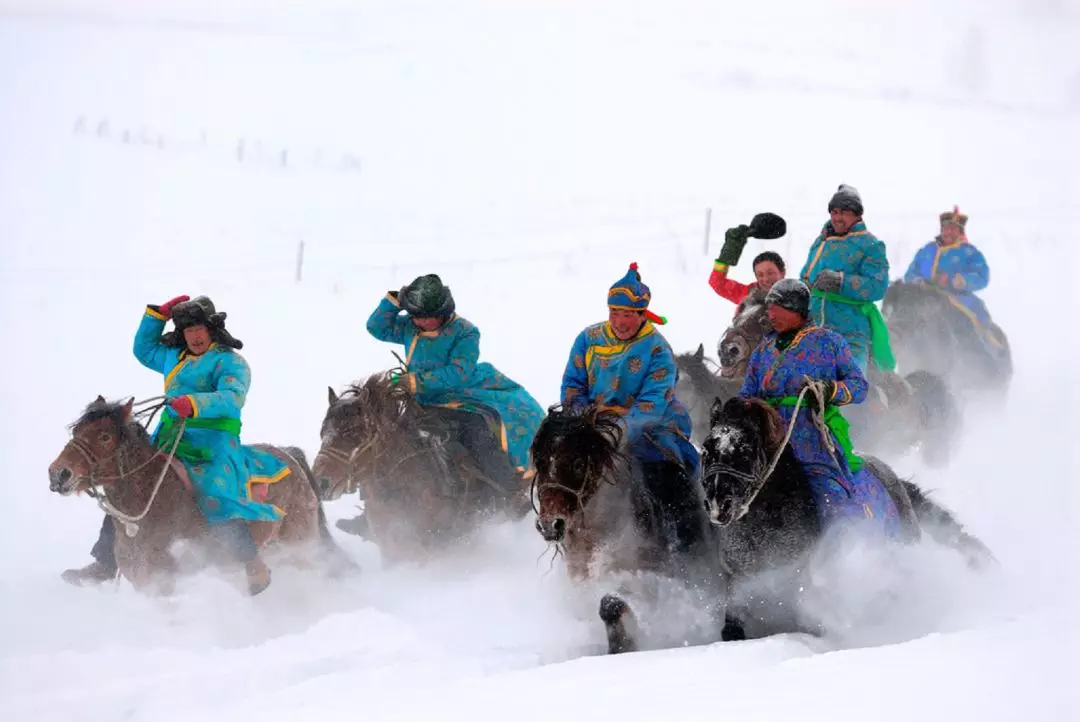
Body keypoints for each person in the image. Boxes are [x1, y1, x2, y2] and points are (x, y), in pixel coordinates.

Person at [63, 295, 287, 595]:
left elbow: (233, 397)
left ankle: (252, 562)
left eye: (199, 329)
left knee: (214, 492)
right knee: (123, 486)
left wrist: (193, 403)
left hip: (213, 443)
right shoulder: (175, 357)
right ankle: (105, 561)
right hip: (168, 438)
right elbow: (143, 350)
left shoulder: (231, 362)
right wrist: (155, 317)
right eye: (187, 330)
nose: (194, 336)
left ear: (212, 329)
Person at [560, 262, 703, 554]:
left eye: (628, 315)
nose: (620, 322)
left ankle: (679, 544)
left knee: (668, 476)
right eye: (615, 313)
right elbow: (573, 386)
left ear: (642, 315)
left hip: (650, 428)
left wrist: (615, 432)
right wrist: (583, 419)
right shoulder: (588, 339)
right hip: (591, 424)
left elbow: (651, 404)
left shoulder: (657, 349)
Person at [738, 279, 900, 534]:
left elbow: (859, 387)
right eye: (769, 308)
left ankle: (848, 543)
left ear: (796, 310)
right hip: (767, 439)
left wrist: (830, 390)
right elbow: (746, 395)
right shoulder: (762, 350)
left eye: (776, 308)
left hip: (810, 437)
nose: (770, 314)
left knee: (831, 497)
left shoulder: (829, 342)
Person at [366, 273, 545, 497]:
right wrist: (394, 301)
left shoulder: (465, 332)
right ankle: (372, 506)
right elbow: (376, 328)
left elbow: (459, 372)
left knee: (479, 431)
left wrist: (415, 382)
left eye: (427, 317)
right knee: (387, 440)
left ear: (442, 312)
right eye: (415, 316)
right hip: (421, 399)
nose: (421, 322)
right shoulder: (410, 327)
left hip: (460, 396)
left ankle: (506, 487)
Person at [800, 184, 894, 375]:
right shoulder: (821, 241)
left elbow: (878, 286)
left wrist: (841, 281)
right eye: (834, 212)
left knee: (849, 381)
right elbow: (805, 274)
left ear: (857, 214)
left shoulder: (870, 244)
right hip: (812, 325)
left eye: (844, 212)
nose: (837, 218)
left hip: (850, 331)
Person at [903, 206, 1004, 352]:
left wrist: (958, 280)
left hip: (958, 298)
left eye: (953, 229)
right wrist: (919, 282)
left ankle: (991, 350)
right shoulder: (927, 250)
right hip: (923, 296)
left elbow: (982, 275)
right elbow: (910, 273)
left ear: (960, 232)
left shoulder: (970, 252)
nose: (949, 232)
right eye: (946, 228)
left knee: (976, 319)